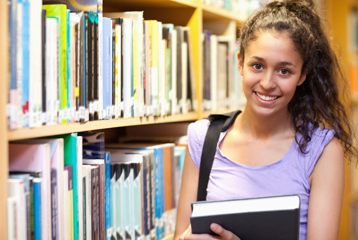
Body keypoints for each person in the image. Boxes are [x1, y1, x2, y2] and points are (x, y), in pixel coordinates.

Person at [173, 0, 358, 239]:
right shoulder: (203, 138)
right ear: (240, 62)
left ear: (302, 75)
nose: (267, 83)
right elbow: (180, 234)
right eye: (257, 66)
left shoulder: (321, 150)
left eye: (284, 71)